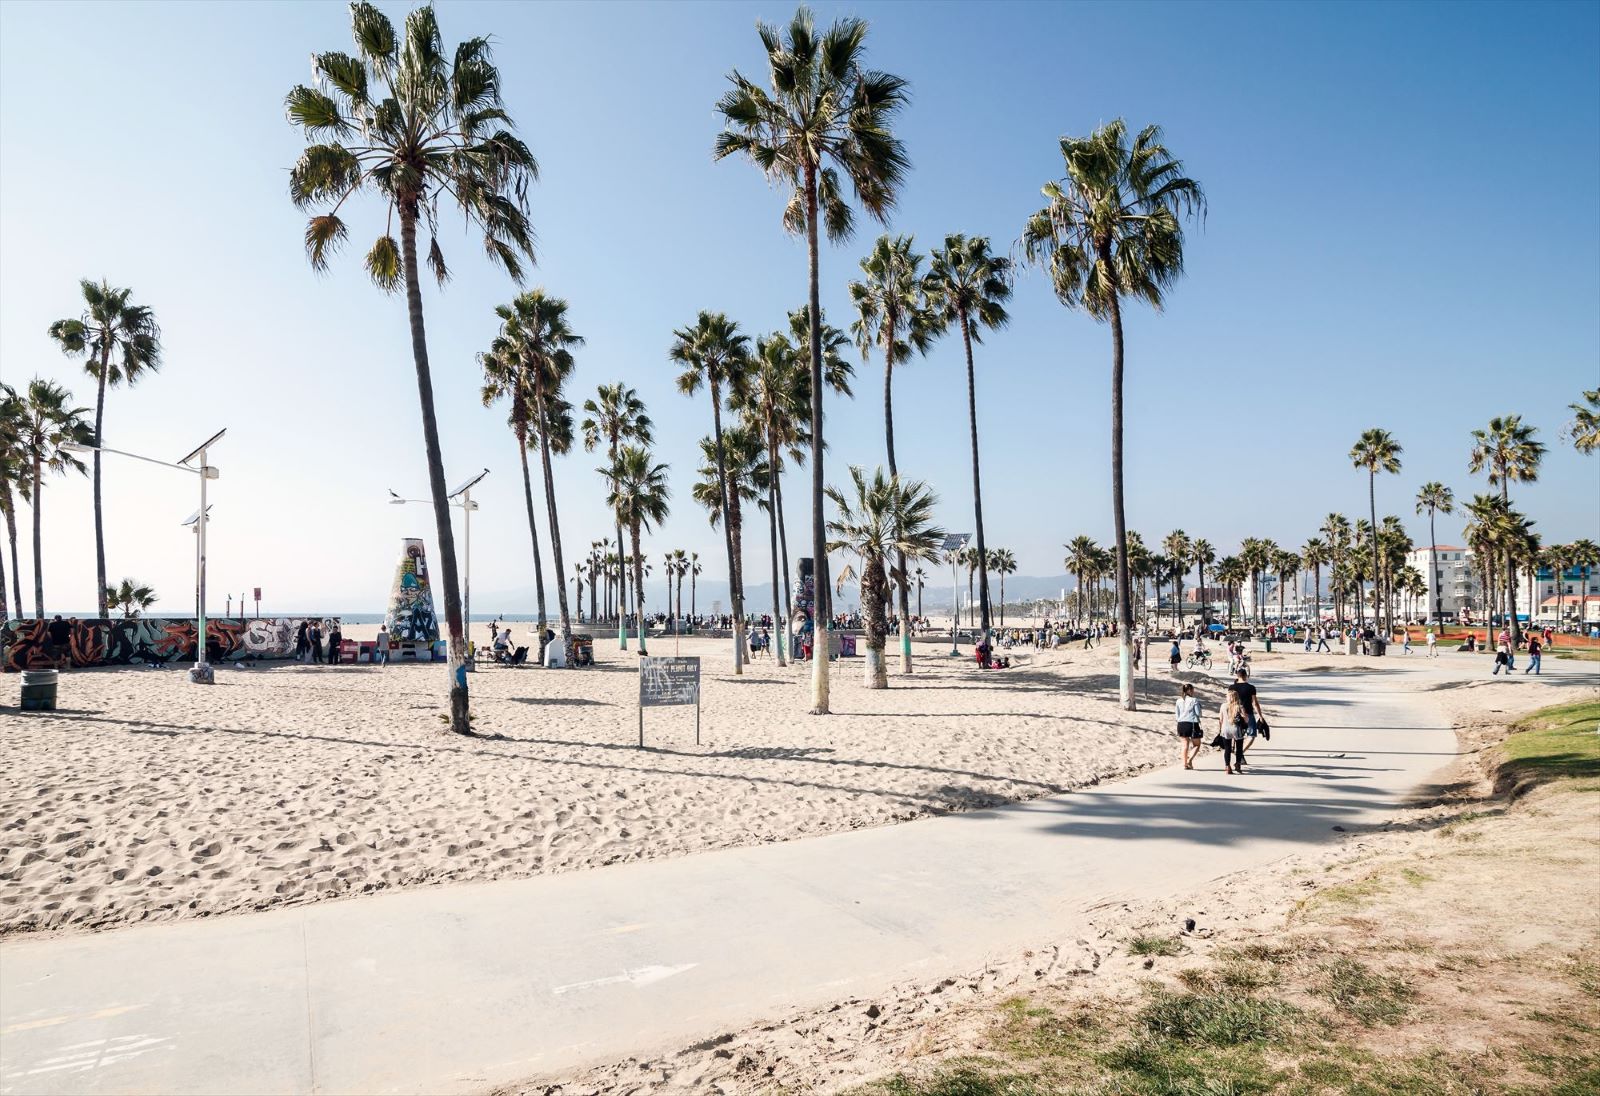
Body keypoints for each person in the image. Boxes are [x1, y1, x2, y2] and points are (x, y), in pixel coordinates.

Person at [1227, 667, 1266, 764]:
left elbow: (1229, 702)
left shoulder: (1231, 687)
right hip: (1248, 713)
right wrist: (1260, 716)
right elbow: (1255, 703)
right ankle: (1240, 753)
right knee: (1251, 735)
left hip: (1234, 713)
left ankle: (1238, 753)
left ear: (1237, 676)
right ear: (1246, 676)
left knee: (1236, 734)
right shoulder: (1251, 687)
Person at [1216, 685, 1247, 775]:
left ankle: (1227, 766)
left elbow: (1220, 719)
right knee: (1239, 748)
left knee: (1227, 749)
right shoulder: (1239, 706)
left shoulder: (1223, 706)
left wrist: (1220, 729)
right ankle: (1237, 764)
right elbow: (1246, 719)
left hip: (1225, 729)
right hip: (1236, 729)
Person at [1176, 683, 1203, 770]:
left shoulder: (1178, 701)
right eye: (1193, 690)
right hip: (1192, 724)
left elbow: (1177, 715)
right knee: (1197, 744)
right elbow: (1198, 713)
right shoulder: (1194, 700)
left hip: (1181, 723)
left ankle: (1184, 764)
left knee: (1184, 745)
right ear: (1190, 691)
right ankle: (1189, 760)